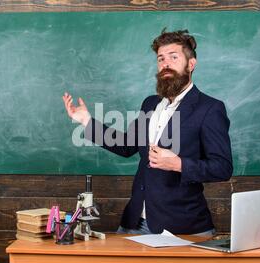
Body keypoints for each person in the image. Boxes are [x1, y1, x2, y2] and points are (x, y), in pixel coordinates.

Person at [62, 29, 233, 236]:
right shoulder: (150, 104)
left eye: (173, 57)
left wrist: (179, 164)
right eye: (161, 59)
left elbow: (222, 168)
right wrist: (86, 120)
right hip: (134, 223)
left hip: (183, 226)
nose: (165, 64)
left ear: (191, 64)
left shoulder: (209, 108)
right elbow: (126, 146)